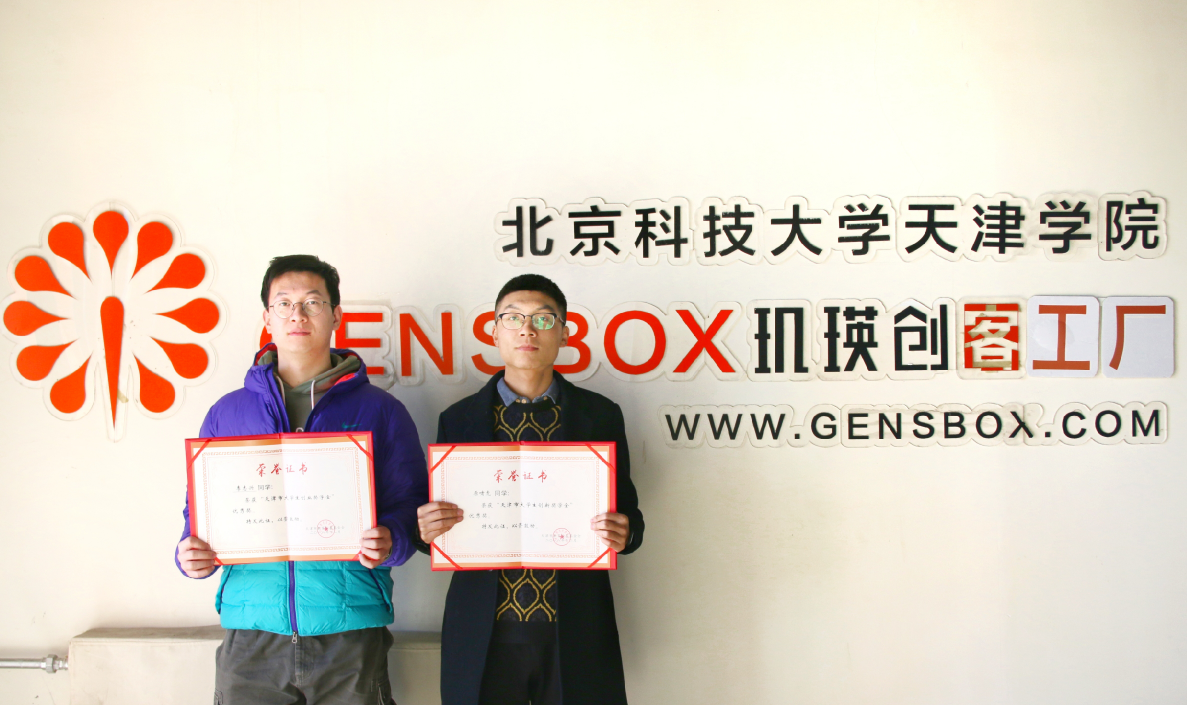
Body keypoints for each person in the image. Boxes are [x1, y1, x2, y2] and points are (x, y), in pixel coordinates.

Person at [175, 254, 427, 705]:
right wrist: (191, 553)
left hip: (348, 628)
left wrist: (391, 539)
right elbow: (200, 512)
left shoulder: (381, 410)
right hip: (251, 633)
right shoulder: (227, 413)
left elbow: (411, 507)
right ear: (267, 318)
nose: (298, 315)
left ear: (336, 315)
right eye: (284, 303)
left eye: (312, 302)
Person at [417, 274, 645, 705]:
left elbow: (629, 513)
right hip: (483, 630)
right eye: (513, 318)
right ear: (494, 331)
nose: (527, 329)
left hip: (573, 626)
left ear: (565, 332)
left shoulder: (599, 415)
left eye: (543, 319)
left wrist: (626, 532)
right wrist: (424, 530)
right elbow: (437, 525)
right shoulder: (458, 419)